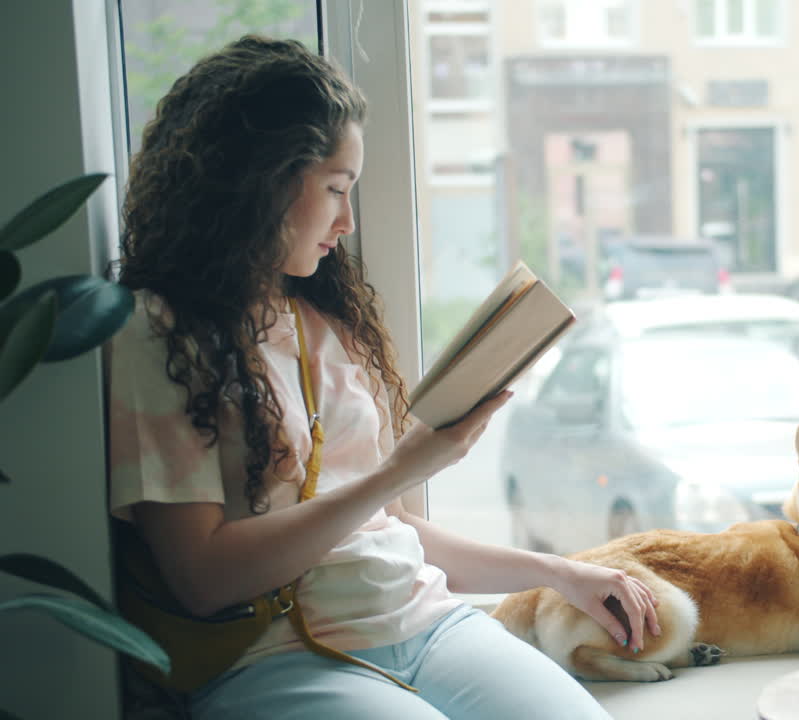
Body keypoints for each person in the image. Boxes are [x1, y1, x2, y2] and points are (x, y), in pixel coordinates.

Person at [108, 35, 658, 720]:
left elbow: (386, 533)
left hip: (425, 625)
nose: (346, 221)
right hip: (275, 655)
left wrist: (558, 573)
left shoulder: (324, 319)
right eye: (335, 190)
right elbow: (201, 578)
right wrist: (397, 471)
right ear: (263, 182)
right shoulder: (158, 332)